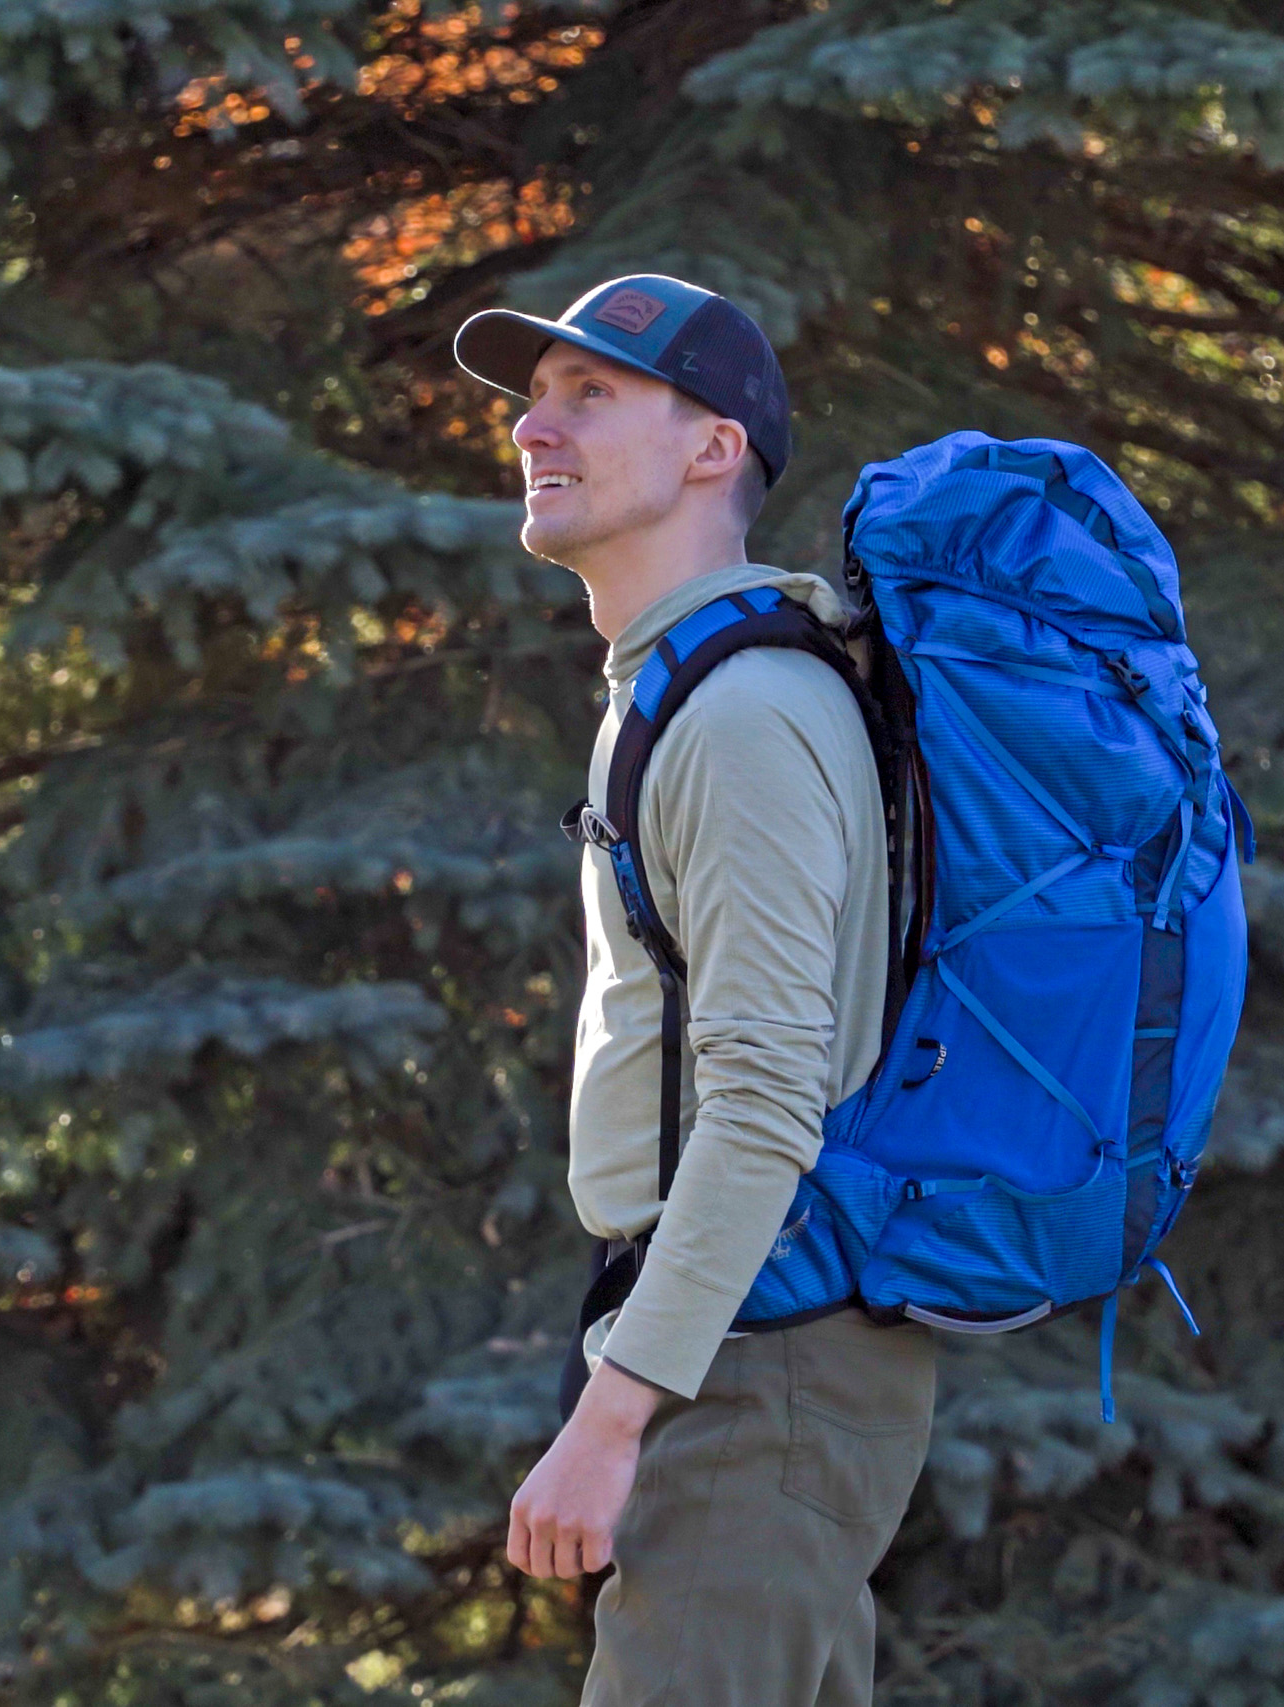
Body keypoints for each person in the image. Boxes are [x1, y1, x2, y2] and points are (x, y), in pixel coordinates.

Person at [453, 274, 936, 1706]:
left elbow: (767, 1102)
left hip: (758, 1367)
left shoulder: (742, 717)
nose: (536, 424)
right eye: (534, 397)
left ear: (714, 447)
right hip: (733, 1357)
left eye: (589, 393)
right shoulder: (689, 687)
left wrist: (614, 1421)